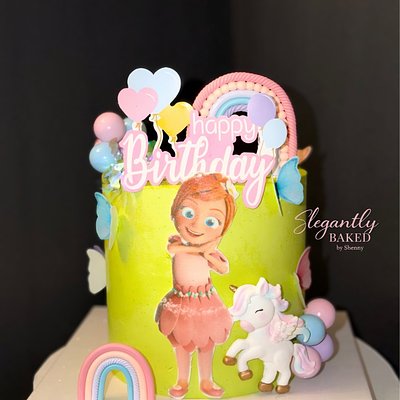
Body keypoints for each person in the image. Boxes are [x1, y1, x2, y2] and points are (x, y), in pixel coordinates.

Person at [156, 173, 237, 398]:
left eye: (211, 221)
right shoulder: (177, 244)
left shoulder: (209, 251)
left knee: (206, 344)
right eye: (188, 213)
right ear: (175, 210)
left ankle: (206, 380)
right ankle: (182, 380)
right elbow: (174, 250)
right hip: (181, 301)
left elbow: (223, 268)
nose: (195, 225)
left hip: (205, 302)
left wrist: (209, 253)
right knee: (181, 343)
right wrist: (201, 249)